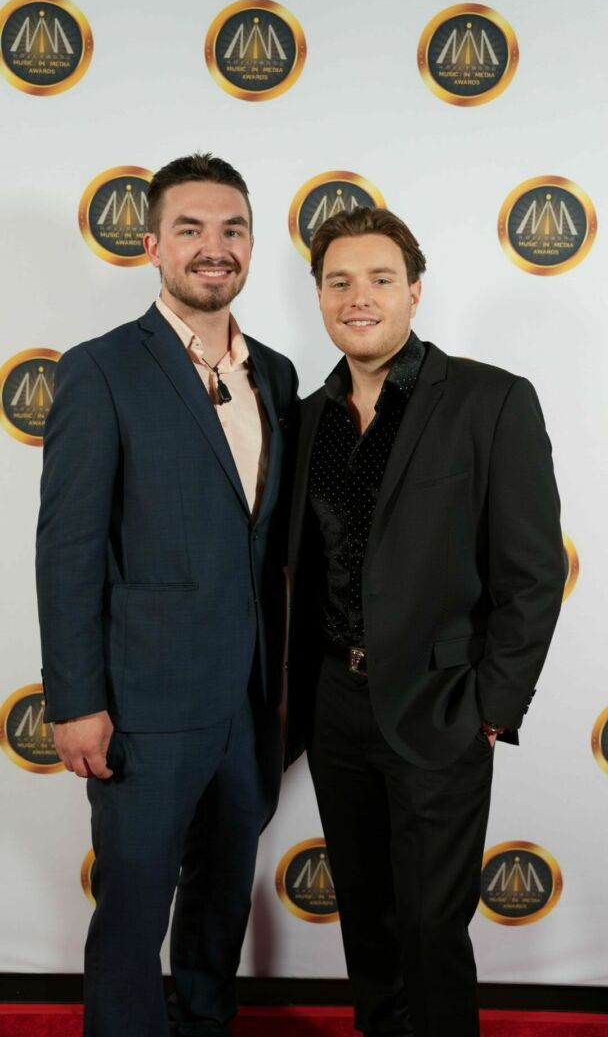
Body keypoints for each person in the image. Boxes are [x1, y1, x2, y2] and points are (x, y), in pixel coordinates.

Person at [285, 206, 565, 1037]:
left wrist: (491, 707)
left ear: (414, 291)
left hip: (440, 704)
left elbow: (532, 573)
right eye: (339, 281)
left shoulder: (489, 400)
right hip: (336, 704)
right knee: (366, 920)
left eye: (379, 279)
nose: (358, 297)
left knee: (432, 927)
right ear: (319, 296)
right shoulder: (309, 416)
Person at [36, 153, 298, 1037]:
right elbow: (68, 549)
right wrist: (76, 703)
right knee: (134, 907)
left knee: (221, 904)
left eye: (232, 229)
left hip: (251, 704)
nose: (213, 247)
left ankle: (205, 1024)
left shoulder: (279, 376)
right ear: (151, 245)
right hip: (144, 708)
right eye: (190, 229)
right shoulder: (100, 369)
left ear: (252, 245)